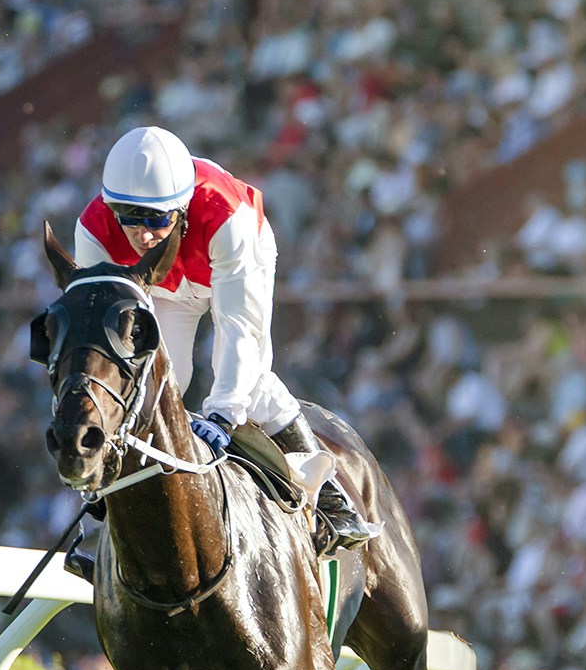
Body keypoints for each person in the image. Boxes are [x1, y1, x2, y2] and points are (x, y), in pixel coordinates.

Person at [73, 125, 381, 555]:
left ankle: (329, 496)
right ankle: (111, 510)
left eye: (157, 219)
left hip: (233, 265)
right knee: (149, 383)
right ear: (111, 207)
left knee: (247, 386)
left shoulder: (226, 216)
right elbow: (110, 340)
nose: (143, 234)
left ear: (181, 209)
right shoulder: (93, 232)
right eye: (129, 216)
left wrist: (221, 415)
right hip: (163, 287)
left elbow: (240, 330)